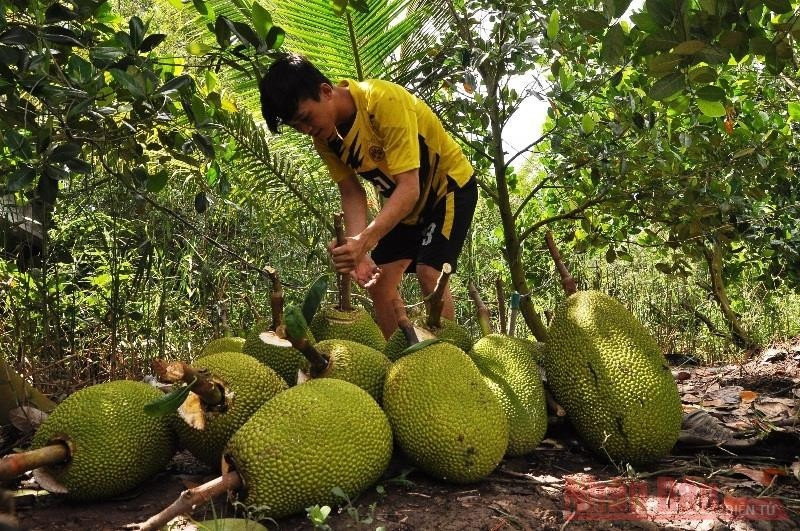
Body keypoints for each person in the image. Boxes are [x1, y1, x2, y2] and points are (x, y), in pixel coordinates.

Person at [259, 54, 477, 338]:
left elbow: (409, 187)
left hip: (448, 188)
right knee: (378, 281)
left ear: (326, 91)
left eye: (306, 119)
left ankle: (453, 359)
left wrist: (364, 241)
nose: (306, 130)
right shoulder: (326, 140)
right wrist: (356, 250)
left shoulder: (383, 102)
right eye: (296, 127)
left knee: (429, 272)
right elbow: (351, 193)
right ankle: (399, 357)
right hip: (406, 207)